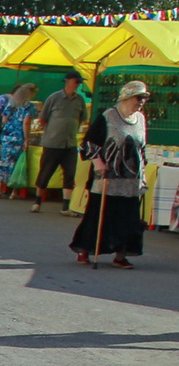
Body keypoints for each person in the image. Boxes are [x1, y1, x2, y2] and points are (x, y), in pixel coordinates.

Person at [71, 80, 151, 269]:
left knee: (128, 219)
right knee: (99, 215)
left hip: (131, 180)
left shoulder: (140, 119)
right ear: (127, 96)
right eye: (139, 97)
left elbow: (141, 149)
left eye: (144, 98)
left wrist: (143, 173)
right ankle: (85, 249)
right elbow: (89, 144)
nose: (141, 102)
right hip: (108, 178)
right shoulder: (107, 116)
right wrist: (98, 163)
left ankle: (120, 255)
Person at [33, 70, 89, 215]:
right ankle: (37, 202)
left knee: (69, 174)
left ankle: (65, 207)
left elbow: (83, 117)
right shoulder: (54, 98)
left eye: (80, 82)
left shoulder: (80, 100)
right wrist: (51, 131)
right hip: (52, 143)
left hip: (70, 144)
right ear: (68, 81)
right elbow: (43, 118)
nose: (78, 85)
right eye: (77, 82)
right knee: (45, 172)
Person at [0, 83, 38, 198]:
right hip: (18, 137)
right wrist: (26, 139)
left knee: (3, 162)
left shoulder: (11, 103)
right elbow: (26, 123)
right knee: (15, 164)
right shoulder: (29, 106)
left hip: (6, 136)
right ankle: (13, 192)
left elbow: (4, 119)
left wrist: (8, 128)